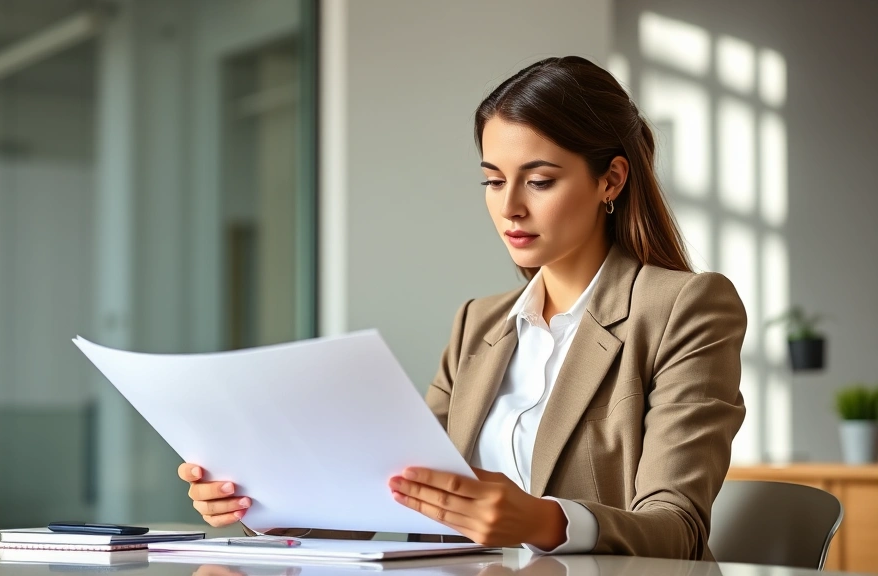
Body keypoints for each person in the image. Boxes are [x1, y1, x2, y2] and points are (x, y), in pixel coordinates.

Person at [177, 56, 746, 560]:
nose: (511, 208)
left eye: (540, 181)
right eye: (493, 181)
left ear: (611, 179)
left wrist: (544, 519)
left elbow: (679, 531)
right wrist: (259, 507)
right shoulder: (480, 323)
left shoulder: (683, 308)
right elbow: (393, 493)